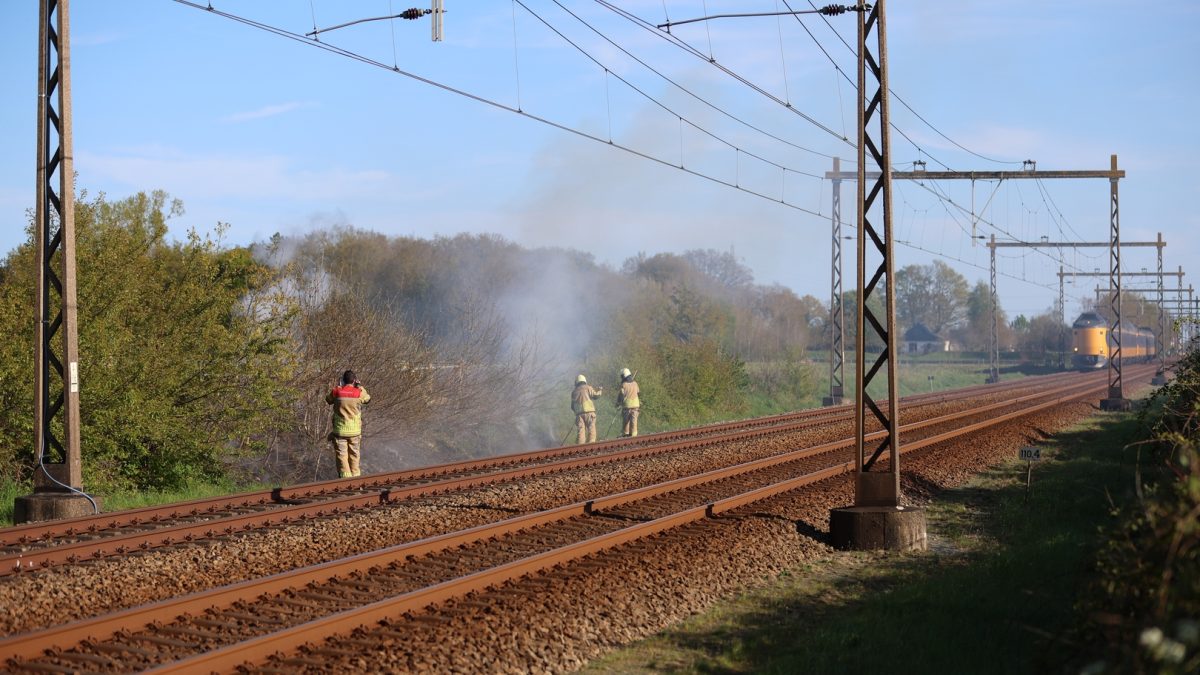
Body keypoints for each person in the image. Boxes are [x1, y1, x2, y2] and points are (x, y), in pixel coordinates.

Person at [326, 369, 371, 478]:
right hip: (355, 431)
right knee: (354, 456)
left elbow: (328, 399)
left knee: (342, 457)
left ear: (342, 380)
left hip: (340, 431)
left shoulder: (336, 391)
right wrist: (359, 386)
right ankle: (356, 479)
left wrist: (338, 386)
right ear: (354, 380)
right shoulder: (358, 392)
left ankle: (346, 480)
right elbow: (368, 399)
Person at [570, 374, 603, 444]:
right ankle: (591, 444)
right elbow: (595, 396)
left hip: (579, 415)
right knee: (591, 428)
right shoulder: (588, 388)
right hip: (589, 413)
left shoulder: (574, 392)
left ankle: (580, 446)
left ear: (576, 383)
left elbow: (572, 406)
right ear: (584, 381)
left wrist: (577, 412)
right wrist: (600, 390)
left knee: (581, 430)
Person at [615, 367, 640, 437]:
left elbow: (621, 396)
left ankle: (625, 434)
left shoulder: (624, 385)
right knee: (634, 422)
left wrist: (618, 404)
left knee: (626, 422)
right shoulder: (635, 383)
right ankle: (634, 436)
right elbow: (638, 393)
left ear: (623, 376)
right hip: (636, 406)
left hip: (627, 406)